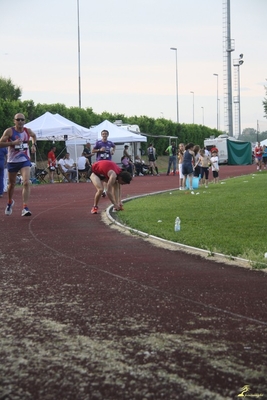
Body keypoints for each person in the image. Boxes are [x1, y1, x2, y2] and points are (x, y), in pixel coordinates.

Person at [0, 113, 37, 216]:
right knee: (11, 185)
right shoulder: (9, 131)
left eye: (22, 120)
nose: (20, 121)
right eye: (18, 119)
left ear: (24, 121)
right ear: (14, 121)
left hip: (25, 160)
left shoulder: (27, 131)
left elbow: (34, 136)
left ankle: (25, 207)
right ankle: (10, 202)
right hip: (12, 161)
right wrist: (12, 143)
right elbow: (0, 143)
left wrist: (34, 145)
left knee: (26, 182)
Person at [92, 130, 116, 197]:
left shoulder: (110, 143)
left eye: (105, 134)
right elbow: (93, 150)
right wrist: (99, 150)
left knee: (106, 176)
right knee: (100, 176)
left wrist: (113, 151)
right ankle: (101, 189)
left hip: (108, 161)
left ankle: (105, 190)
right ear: (101, 135)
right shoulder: (98, 143)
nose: (104, 135)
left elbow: (114, 146)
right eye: (103, 134)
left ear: (107, 135)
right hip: (100, 162)